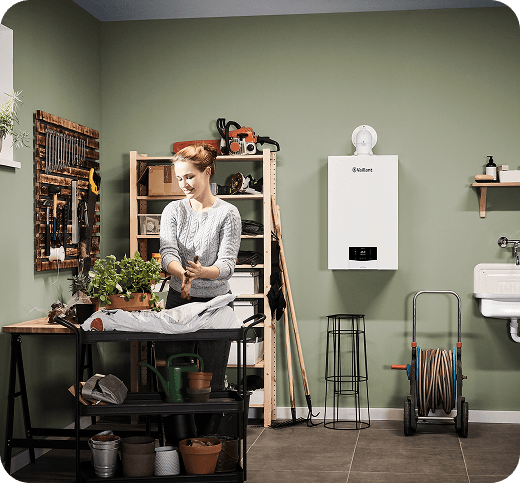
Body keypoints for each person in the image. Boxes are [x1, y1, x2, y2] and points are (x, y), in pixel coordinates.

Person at [157, 143, 241, 439]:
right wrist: (182, 273)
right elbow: (167, 252)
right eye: (179, 178)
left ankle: (205, 449)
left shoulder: (228, 214)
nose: (184, 185)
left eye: (189, 177)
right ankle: (179, 448)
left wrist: (203, 273)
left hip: (217, 305)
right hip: (179, 301)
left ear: (207, 173)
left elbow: (228, 264)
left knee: (211, 383)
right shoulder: (173, 211)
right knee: (174, 378)